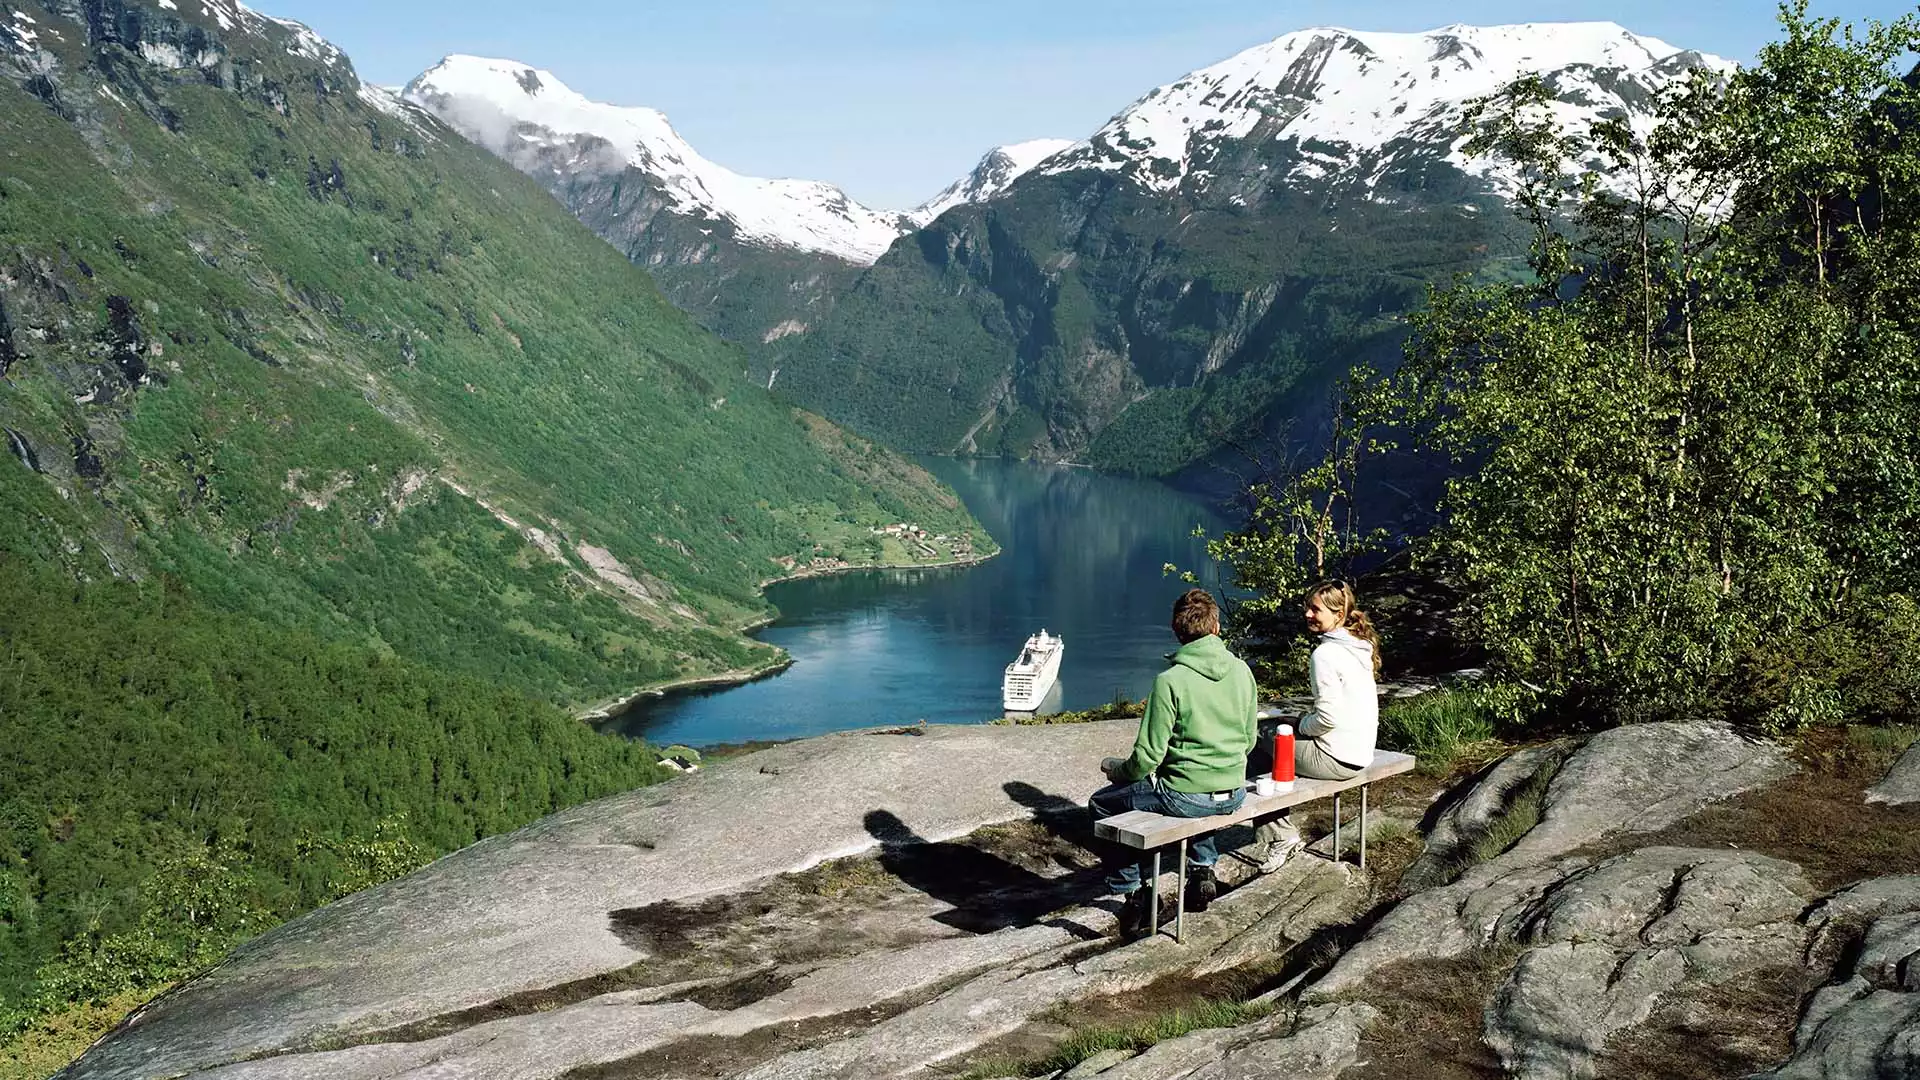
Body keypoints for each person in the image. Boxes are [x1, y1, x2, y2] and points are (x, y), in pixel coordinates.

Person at [1090, 588, 1259, 938]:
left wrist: (1115, 770)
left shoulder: (1170, 681)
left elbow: (1147, 758)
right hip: (1234, 792)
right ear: (1216, 627)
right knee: (1201, 789)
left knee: (1102, 804)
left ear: (1177, 631)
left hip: (1186, 795)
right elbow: (1250, 739)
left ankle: (1135, 892)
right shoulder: (1242, 671)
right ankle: (1201, 868)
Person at [1255, 579, 1381, 873]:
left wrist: (1300, 724)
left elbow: (1327, 719)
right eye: (1307, 608)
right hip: (1360, 753)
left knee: (1255, 737)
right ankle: (1277, 828)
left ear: (1338, 614)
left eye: (1315, 609)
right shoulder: (1359, 646)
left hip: (1335, 758)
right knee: (1277, 735)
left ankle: (1280, 835)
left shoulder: (1325, 654)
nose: (1308, 615)